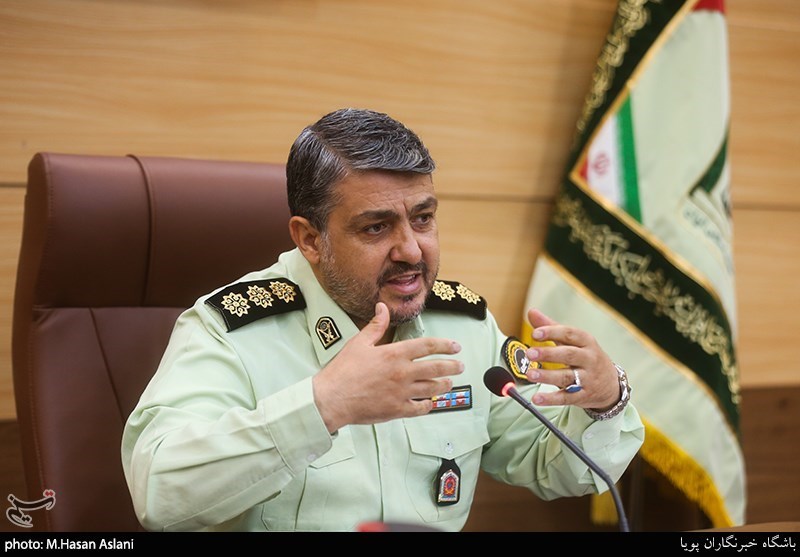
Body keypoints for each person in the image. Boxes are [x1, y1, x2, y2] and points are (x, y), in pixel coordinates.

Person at [121, 107, 644, 532]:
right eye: (376, 228)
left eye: (423, 218)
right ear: (310, 239)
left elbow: (556, 466)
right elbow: (159, 493)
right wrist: (323, 405)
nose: (411, 250)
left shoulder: (462, 325)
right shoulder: (233, 330)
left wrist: (604, 400)